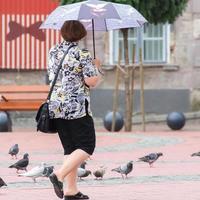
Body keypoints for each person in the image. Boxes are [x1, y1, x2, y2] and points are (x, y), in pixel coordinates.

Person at [47, 20, 102, 200]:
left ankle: (71, 191)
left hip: (56, 106)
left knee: (70, 149)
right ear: (80, 34)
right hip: (76, 107)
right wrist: (97, 68)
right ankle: (58, 175)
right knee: (86, 146)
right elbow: (91, 81)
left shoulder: (53, 51)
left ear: (63, 33)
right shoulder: (82, 53)